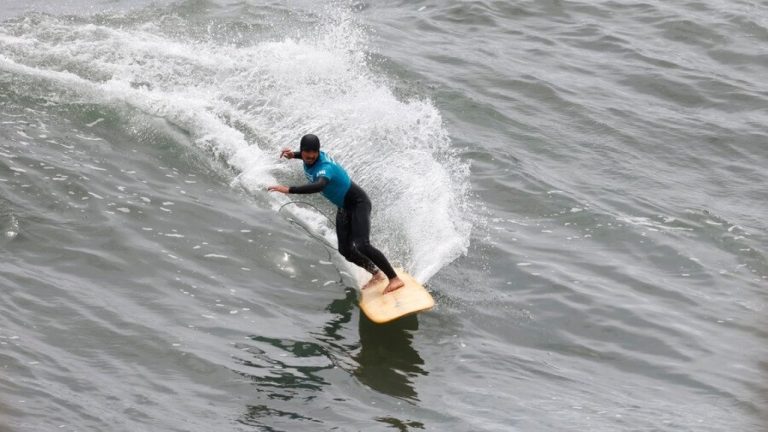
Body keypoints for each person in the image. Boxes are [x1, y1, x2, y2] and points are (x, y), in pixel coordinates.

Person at [267, 134, 405, 294]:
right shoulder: (308, 157)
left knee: (362, 245)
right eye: (306, 154)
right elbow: (305, 156)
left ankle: (394, 279)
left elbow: (319, 185)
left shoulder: (325, 168)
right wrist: (293, 155)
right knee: (345, 250)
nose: (310, 157)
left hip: (358, 203)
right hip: (343, 207)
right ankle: (376, 274)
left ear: (318, 152)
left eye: (314, 154)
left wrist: (290, 189)